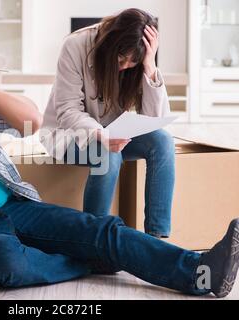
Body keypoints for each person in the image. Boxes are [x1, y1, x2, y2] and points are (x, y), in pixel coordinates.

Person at [0, 39, 239, 298]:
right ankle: (95, 259)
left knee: (103, 229)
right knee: (6, 265)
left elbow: (31, 121)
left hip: (17, 206)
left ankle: (201, 272)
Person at [40, 8, 174, 238]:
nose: (125, 66)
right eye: (121, 59)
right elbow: (67, 111)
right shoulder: (75, 46)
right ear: (112, 42)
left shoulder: (139, 61)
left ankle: (156, 237)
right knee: (108, 153)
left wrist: (149, 66)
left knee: (162, 141)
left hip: (112, 133)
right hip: (68, 135)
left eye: (133, 62)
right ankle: (94, 242)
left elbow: (154, 121)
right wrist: (100, 134)